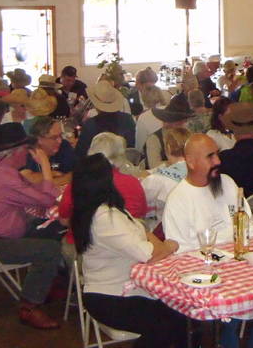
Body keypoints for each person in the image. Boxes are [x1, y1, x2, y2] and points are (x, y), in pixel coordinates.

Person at [162, 134, 253, 348]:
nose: (218, 161)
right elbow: (182, 255)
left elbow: (250, 227)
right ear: (191, 162)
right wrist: (229, 243)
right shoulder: (178, 199)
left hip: (244, 266)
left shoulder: (227, 183)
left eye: (217, 154)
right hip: (209, 277)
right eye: (210, 156)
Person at [70, 154, 193, 347]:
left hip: (118, 290)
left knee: (179, 315)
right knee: (172, 322)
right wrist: (170, 245)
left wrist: (159, 247)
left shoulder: (93, 210)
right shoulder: (106, 217)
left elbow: (144, 234)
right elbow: (149, 254)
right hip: (112, 296)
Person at [0, 123, 63, 329]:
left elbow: (30, 194)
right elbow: (46, 201)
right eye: (26, 149)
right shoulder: (4, 177)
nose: (29, 154)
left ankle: (47, 285)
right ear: (15, 152)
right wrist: (46, 167)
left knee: (53, 230)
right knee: (50, 249)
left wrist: (45, 187)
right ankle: (29, 307)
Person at [59, 132, 148, 258]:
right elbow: (141, 214)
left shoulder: (79, 182)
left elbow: (64, 219)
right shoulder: (133, 183)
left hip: (87, 249)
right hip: (131, 250)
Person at [140, 127, 189, 222]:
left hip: (167, 229)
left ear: (168, 148)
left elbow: (140, 196)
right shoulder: (200, 171)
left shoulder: (158, 179)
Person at [77, 81, 136, 158]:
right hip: (123, 164)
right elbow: (131, 147)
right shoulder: (128, 119)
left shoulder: (90, 125)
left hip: (98, 168)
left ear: (96, 105)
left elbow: (80, 153)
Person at [21, 116, 77, 186]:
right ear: (39, 139)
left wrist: (45, 180)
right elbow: (27, 179)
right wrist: (54, 173)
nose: (59, 141)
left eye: (60, 135)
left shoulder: (64, 145)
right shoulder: (28, 153)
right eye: (54, 137)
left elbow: (76, 172)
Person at [144, 94, 196, 169]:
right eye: (181, 121)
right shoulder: (154, 139)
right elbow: (154, 166)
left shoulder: (189, 136)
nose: (185, 123)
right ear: (169, 122)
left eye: (185, 121)